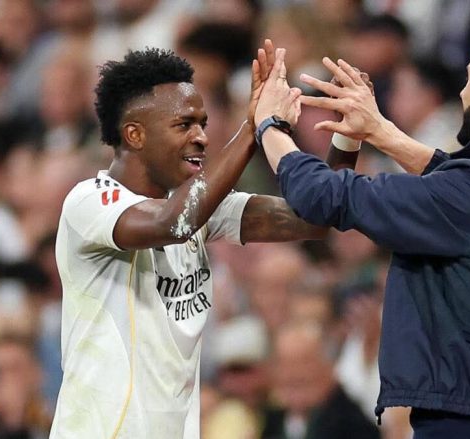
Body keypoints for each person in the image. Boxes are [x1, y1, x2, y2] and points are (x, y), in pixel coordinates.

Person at [253, 20, 470, 438]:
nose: (462, 93)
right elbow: (458, 186)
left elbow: (322, 195)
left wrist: (269, 124)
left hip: (466, 426)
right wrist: (380, 131)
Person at [50, 42, 360, 438]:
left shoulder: (199, 210)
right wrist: (254, 127)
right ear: (135, 134)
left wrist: (347, 135)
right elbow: (174, 222)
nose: (202, 137)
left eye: (202, 124)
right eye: (184, 125)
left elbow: (314, 220)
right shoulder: (89, 202)